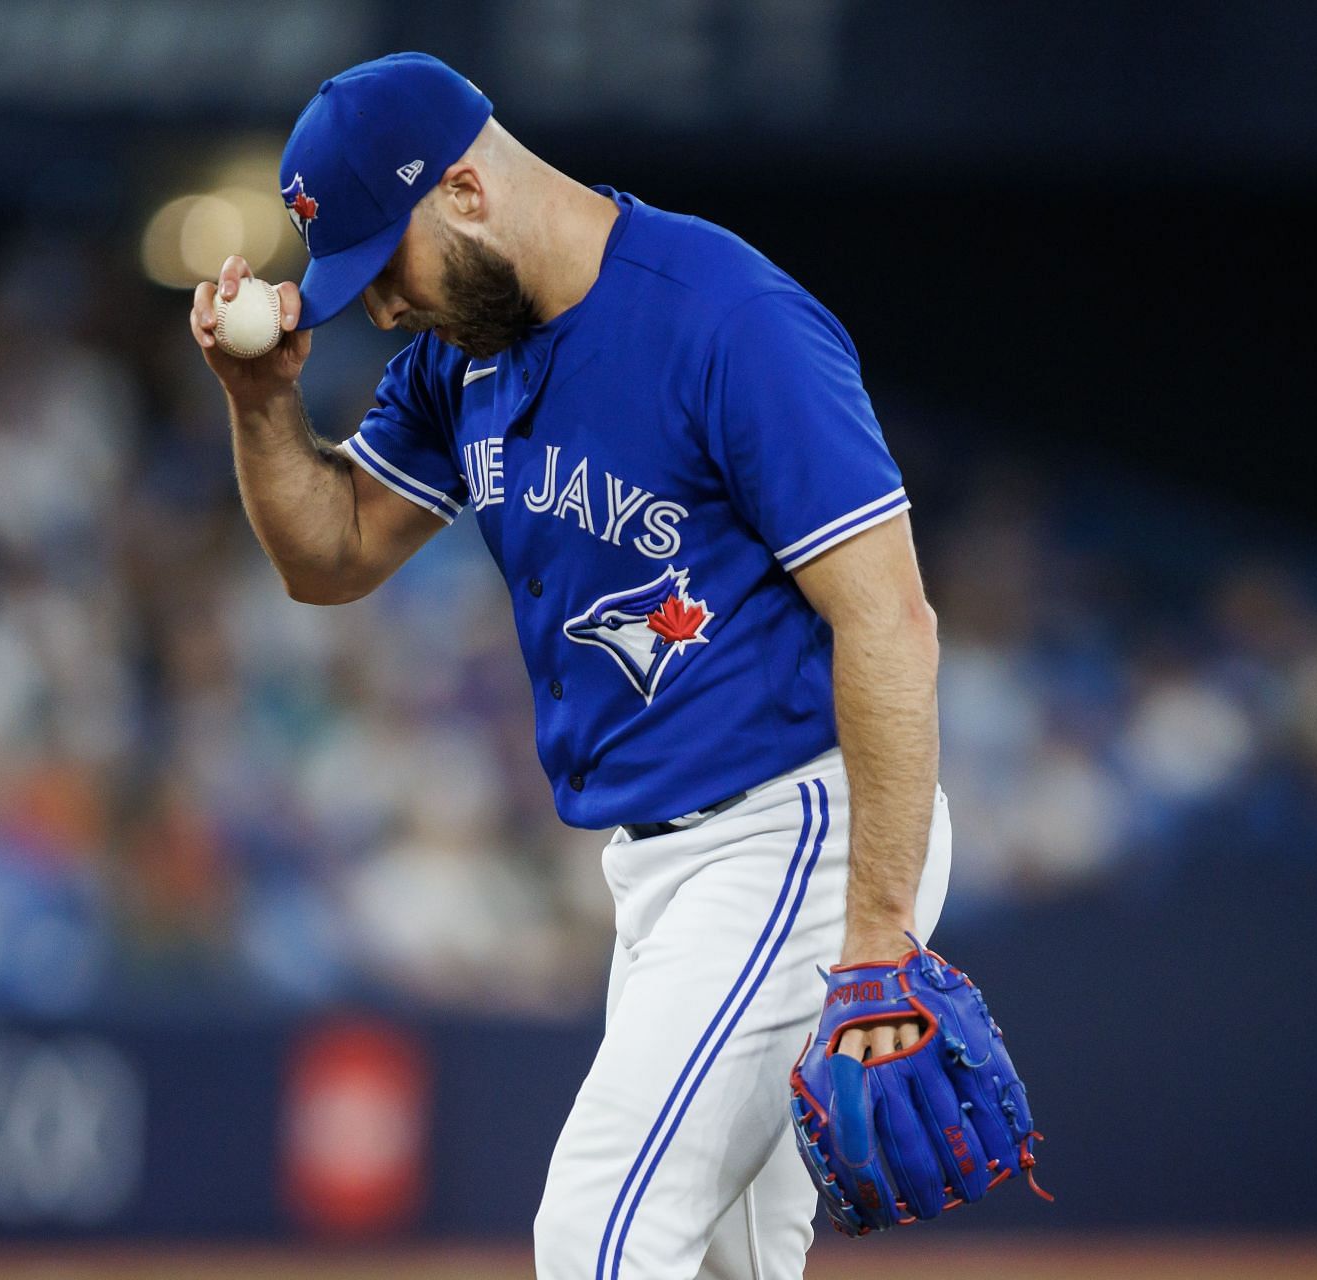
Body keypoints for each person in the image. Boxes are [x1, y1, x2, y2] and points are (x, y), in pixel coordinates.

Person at [191, 53, 953, 1280]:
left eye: (386, 265)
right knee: (718, 1264)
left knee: (602, 1235)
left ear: (468, 194)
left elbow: (891, 622)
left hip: (795, 829)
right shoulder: (461, 355)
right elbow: (329, 556)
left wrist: (876, 934)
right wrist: (260, 404)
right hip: (661, 867)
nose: (379, 309)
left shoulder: (724, 315)